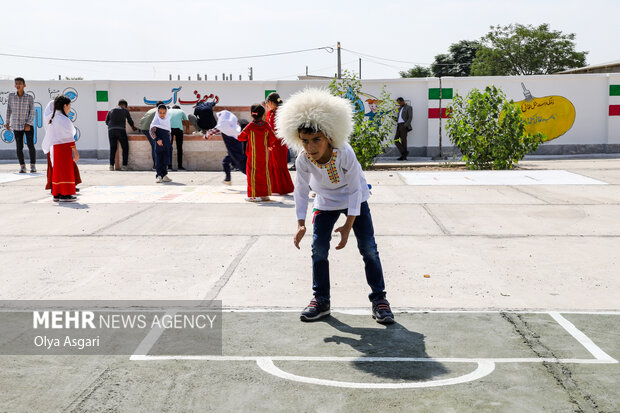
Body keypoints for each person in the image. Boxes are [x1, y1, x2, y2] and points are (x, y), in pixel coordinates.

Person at [275, 88, 394, 324]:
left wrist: (348, 225)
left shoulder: (344, 153)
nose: (310, 147)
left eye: (316, 140)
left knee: (369, 249)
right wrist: (300, 223)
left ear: (329, 136)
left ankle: (379, 300)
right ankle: (321, 300)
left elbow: (355, 189)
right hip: (325, 202)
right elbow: (300, 190)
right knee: (318, 250)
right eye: (305, 141)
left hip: (356, 199)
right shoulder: (303, 159)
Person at [42, 95, 79, 202]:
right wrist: (75, 152)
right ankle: (65, 194)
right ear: (65, 105)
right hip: (64, 149)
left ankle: (57, 193)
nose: (69, 108)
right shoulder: (63, 119)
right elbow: (69, 137)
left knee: (57, 171)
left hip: (55, 148)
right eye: (69, 106)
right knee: (65, 171)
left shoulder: (53, 118)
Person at [237, 104, 276, 202]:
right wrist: (269, 145)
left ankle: (253, 195)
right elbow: (273, 137)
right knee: (264, 174)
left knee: (252, 174)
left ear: (252, 115)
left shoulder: (250, 126)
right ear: (263, 115)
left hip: (253, 156)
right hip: (264, 155)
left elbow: (240, 137)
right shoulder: (266, 125)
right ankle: (265, 195)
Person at [204, 110, 247, 185]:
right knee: (225, 162)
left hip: (234, 149)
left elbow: (213, 131)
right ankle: (228, 179)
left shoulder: (223, 126)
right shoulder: (233, 126)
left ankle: (255, 178)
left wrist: (206, 135)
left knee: (242, 167)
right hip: (233, 149)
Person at [265, 92, 294, 195]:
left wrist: (272, 140)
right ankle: (275, 188)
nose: (267, 105)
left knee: (280, 165)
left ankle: (283, 188)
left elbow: (279, 129)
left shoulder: (281, 112)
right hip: (272, 143)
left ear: (271, 102)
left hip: (279, 142)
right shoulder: (270, 113)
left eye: (267, 103)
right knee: (272, 165)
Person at [5, 77, 36, 173]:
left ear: (24, 85)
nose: (18, 85)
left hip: (27, 126)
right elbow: (9, 110)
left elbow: (32, 112)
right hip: (16, 125)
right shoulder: (11, 96)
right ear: (15, 85)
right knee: (19, 147)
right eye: (16, 83)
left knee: (30, 145)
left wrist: (28, 123)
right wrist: (7, 122)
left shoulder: (29, 97)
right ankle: (22, 166)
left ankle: (33, 166)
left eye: (20, 83)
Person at [105, 99, 137, 171]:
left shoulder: (111, 111)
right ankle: (124, 166)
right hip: (121, 130)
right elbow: (130, 121)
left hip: (111, 130)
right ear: (125, 106)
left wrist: (112, 126)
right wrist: (133, 127)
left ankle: (111, 166)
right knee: (125, 147)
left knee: (113, 148)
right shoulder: (125, 111)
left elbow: (106, 122)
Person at [149, 104, 173, 183]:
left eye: (164, 113)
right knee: (159, 160)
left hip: (166, 145)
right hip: (159, 145)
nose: (162, 114)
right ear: (157, 113)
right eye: (160, 112)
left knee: (165, 160)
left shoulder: (167, 121)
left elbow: (168, 133)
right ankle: (159, 175)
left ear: (166, 113)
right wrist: (157, 139)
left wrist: (169, 143)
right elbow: (151, 132)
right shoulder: (156, 121)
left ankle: (164, 175)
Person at [138, 101, 163, 170]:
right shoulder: (159, 111)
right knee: (155, 146)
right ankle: (156, 165)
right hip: (148, 129)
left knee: (155, 145)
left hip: (143, 128)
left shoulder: (151, 110)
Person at [168, 105, 188, 170]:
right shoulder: (181, 111)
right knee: (179, 148)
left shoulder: (168, 111)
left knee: (169, 147)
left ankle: (169, 166)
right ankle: (180, 166)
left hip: (169, 129)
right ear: (179, 108)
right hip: (179, 129)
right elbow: (186, 121)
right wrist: (187, 130)